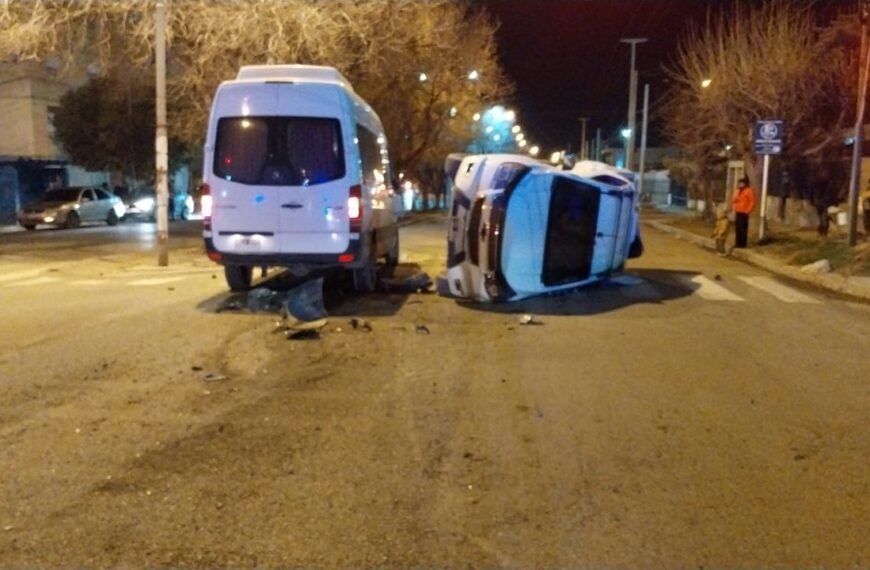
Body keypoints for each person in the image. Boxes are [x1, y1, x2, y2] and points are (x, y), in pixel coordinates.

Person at [731, 177, 756, 248]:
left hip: (744, 212)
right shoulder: (737, 191)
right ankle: (737, 242)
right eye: (739, 183)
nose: (740, 185)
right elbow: (733, 200)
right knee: (737, 228)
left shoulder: (748, 191)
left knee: (743, 228)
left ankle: (743, 243)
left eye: (741, 183)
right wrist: (735, 200)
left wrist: (747, 210)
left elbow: (752, 202)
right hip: (738, 211)